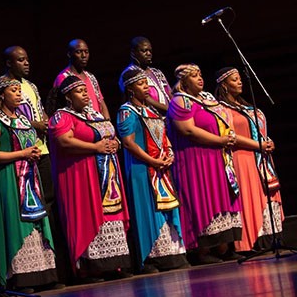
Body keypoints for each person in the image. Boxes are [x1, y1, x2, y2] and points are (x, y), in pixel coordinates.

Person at [48, 75, 133, 283]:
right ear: (68, 96)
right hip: (82, 175)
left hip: (107, 175)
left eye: (86, 90)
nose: (86, 94)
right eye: (80, 91)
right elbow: (64, 141)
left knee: (110, 215)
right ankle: (91, 268)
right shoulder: (62, 116)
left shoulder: (93, 114)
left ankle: (114, 264)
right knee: (89, 214)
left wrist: (115, 144)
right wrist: (95, 148)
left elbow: (109, 135)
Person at [0, 75, 60, 293]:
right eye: (14, 90)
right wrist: (23, 153)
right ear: (1, 95)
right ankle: (21, 277)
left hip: (30, 177)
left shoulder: (24, 120)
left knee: (37, 223)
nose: (19, 94)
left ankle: (44, 273)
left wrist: (32, 152)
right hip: (10, 179)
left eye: (19, 90)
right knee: (17, 223)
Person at [1, 45, 70, 285]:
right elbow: (5, 116)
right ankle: (29, 269)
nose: (26, 63)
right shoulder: (4, 87)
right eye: (20, 60)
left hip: (42, 150)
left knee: (48, 204)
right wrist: (33, 124)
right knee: (29, 207)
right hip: (23, 156)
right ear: (9, 63)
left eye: (27, 59)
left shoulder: (30, 86)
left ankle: (49, 267)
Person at [166, 63, 243, 264]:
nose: (200, 78)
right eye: (194, 76)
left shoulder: (207, 98)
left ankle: (224, 248)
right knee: (202, 198)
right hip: (195, 159)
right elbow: (188, 130)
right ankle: (202, 251)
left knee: (220, 198)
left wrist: (228, 136)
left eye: (200, 74)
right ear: (183, 81)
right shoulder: (180, 101)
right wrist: (220, 140)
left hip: (216, 156)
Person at [116, 68, 189, 274]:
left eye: (146, 83)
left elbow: (164, 136)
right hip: (142, 169)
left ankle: (172, 255)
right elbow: (129, 143)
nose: (146, 87)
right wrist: (152, 161)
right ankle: (151, 258)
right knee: (148, 211)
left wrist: (170, 155)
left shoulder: (151, 111)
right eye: (140, 84)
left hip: (160, 167)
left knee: (167, 210)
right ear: (130, 89)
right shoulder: (126, 111)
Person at [214, 67, 280, 253]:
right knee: (251, 198)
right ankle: (252, 241)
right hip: (243, 157)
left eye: (240, 78)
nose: (240, 82)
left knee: (266, 197)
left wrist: (268, 141)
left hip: (261, 157)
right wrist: (257, 144)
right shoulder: (222, 109)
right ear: (224, 86)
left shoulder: (246, 106)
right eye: (234, 80)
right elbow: (230, 134)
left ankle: (272, 237)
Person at [45, 38, 111, 121]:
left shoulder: (91, 76)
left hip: (98, 124)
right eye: (79, 52)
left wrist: (107, 121)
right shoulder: (64, 78)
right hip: (80, 124)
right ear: (69, 54)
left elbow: (100, 101)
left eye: (86, 52)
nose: (84, 56)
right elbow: (60, 107)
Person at [119, 36, 172, 115]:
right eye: (144, 51)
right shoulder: (129, 74)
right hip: (149, 118)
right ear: (133, 53)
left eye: (150, 50)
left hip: (170, 117)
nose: (148, 53)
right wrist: (171, 110)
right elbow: (144, 98)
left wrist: (176, 108)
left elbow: (170, 93)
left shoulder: (156, 72)